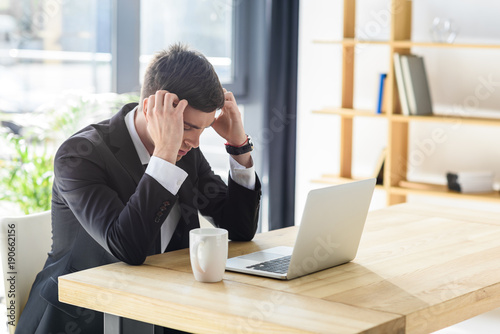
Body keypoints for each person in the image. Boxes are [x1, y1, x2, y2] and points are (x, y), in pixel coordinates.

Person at [17, 43, 262, 333]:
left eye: (203, 129)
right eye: (187, 127)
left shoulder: (187, 153)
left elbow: (239, 228)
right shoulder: (80, 155)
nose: (195, 142)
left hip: (161, 311)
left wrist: (238, 148)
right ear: (151, 108)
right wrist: (165, 155)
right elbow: (127, 247)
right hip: (83, 318)